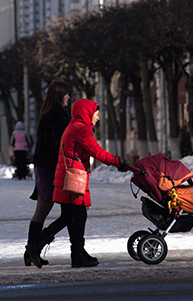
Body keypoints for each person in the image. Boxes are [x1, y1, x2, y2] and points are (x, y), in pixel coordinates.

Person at [27, 98, 127, 268]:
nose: (98, 117)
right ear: (87, 112)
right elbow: (98, 152)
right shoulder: (81, 129)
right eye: (96, 113)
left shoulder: (74, 126)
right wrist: (119, 162)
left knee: (68, 216)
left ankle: (64, 252)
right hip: (73, 180)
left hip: (67, 178)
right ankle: (48, 248)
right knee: (78, 216)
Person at [24, 80, 71, 267]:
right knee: (43, 209)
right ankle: (32, 249)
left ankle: (31, 252)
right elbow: (54, 146)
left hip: (47, 167)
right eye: (66, 94)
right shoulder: (54, 117)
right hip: (49, 169)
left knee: (42, 210)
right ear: (58, 95)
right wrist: (61, 168)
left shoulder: (54, 115)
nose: (68, 97)